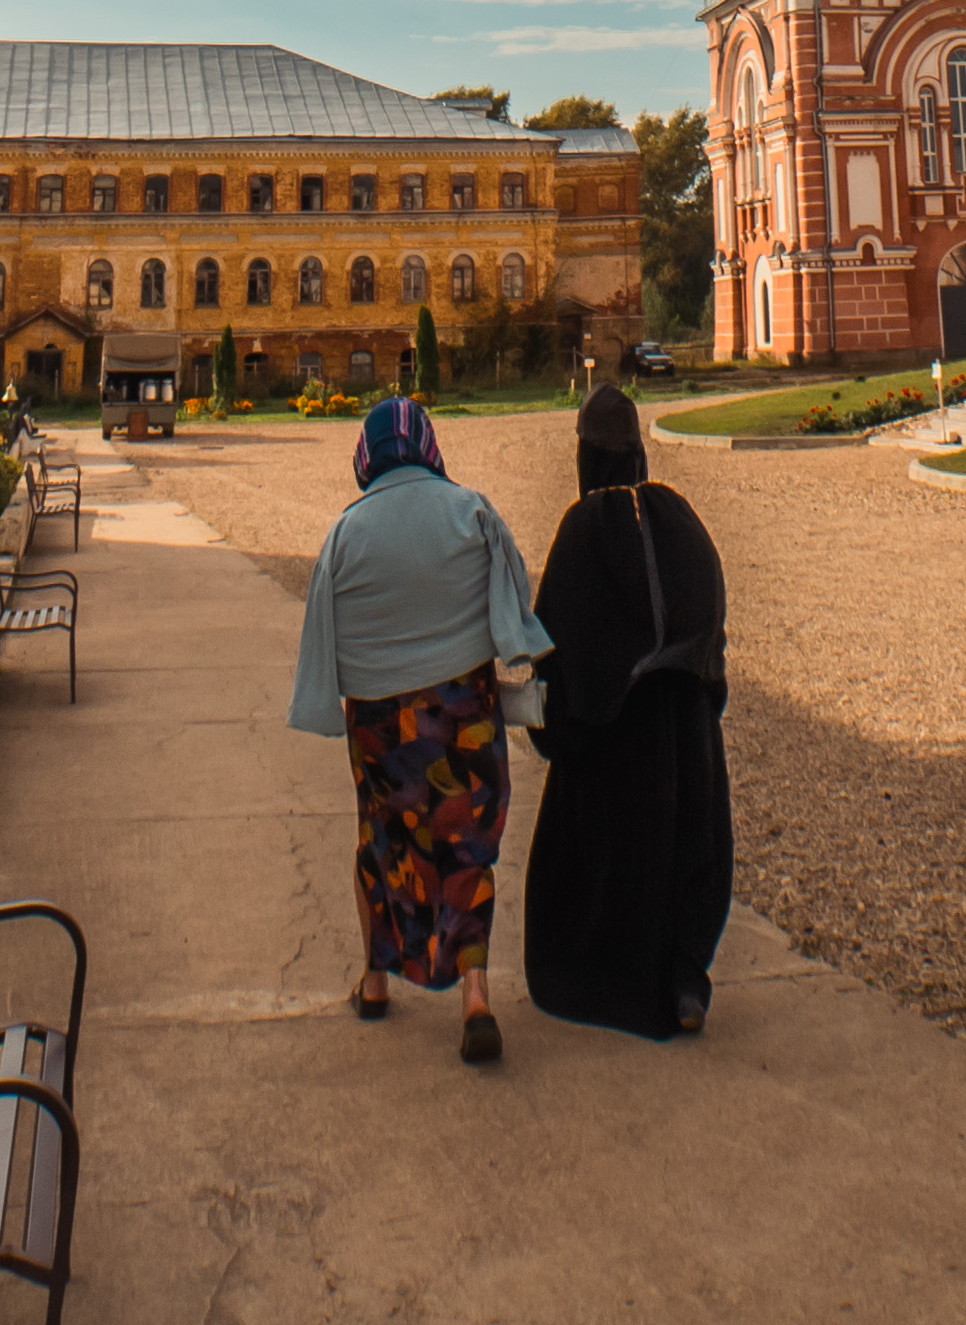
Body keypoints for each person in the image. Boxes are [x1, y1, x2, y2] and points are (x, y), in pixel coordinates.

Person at [289, 393, 549, 1061]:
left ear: (367, 454)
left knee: (383, 846)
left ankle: (375, 980)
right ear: (427, 446)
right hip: (464, 710)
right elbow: (512, 593)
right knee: (466, 847)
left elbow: (324, 631)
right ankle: (476, 997)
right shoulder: (470, 509)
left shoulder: (346, 531)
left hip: (380, 724)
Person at [521, 384, 731, 1039]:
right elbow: (709, 613)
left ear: (587, 455)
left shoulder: (584, 527)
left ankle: (606, 979)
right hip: (683, 733)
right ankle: (682, 977)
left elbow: (557, 638)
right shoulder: (679, 516)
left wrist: (560, 713)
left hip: (615, 739)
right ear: (637, 450)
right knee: (687, 848)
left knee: (606, 856)